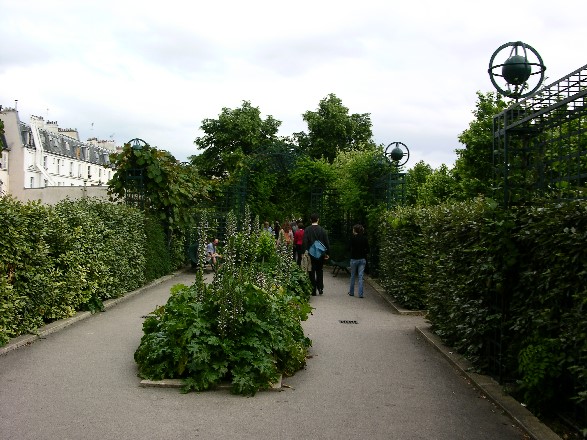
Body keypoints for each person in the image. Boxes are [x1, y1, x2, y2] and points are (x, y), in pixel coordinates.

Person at [302, 213, 330, 296]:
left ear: (310, 220)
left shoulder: (307, 230)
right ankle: (320, 288)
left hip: (311, 254)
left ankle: (313, 290)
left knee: (311, 271)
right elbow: (326, 242)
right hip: (320, 254)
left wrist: (304, 252)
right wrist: (327, 253)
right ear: (318, 219)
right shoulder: (322, 230)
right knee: (319, 270)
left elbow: (304, 242)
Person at [348, 224, 370, 298]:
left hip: (354, 259)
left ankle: (351, 292)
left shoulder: (352, 238)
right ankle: (360, 294)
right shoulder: (365, 239)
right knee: (361, 276)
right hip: (362, 259)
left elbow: (348, 248)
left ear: (355, 230)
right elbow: (368, 250)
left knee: (353, 276)